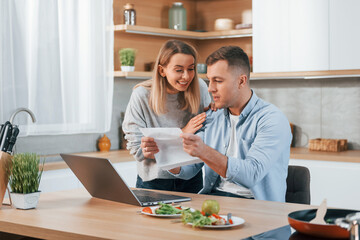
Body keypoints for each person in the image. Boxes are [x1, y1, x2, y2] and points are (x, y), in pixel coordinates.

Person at [169, 46, 292, 202]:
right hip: (214, 201)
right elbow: (189, 168)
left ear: (241, 81)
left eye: (218, 81)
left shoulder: (271, 119)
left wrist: (204, 151)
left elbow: (251, 174)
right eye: (209, 80)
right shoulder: (212, 116)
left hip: (257, 207)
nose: (210, 89)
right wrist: (163, 154)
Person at [122, 40, 211, 193]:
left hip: (192, 178)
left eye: (191, 69)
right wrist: (183, 133)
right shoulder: (142, 95)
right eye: (178, 70)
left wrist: (218, 110)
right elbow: (136, 148)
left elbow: (207, 134)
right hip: (154, 181)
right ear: (162, 70)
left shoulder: (200, 88)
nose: (186, 76)